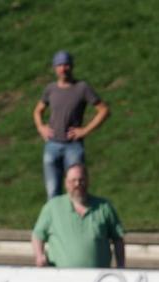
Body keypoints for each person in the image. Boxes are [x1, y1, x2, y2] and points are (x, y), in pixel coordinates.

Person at [32, 50, 110, 199]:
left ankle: (75, 220)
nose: (63, 69)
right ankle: (55, 222)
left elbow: (103, 110)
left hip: (73, 147)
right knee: (52, 191)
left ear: (72, 66)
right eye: (60, 65)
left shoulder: (82, 88)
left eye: (66, 65)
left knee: (76, 190)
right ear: (55, 68)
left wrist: (85, 130)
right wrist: (40, 127)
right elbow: (37, 111)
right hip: (52, 146)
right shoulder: (51, 89)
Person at [31, 164, 124, 268]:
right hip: (61, 278)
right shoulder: (52, 207)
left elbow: (118, 239)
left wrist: (121, 266)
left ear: (88, 181)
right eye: (73, 180)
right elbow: (37, 235)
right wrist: (39, 256)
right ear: (66, 183)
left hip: (98, 279)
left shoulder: (104, 207)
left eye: (81, 180)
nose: (77, 184)